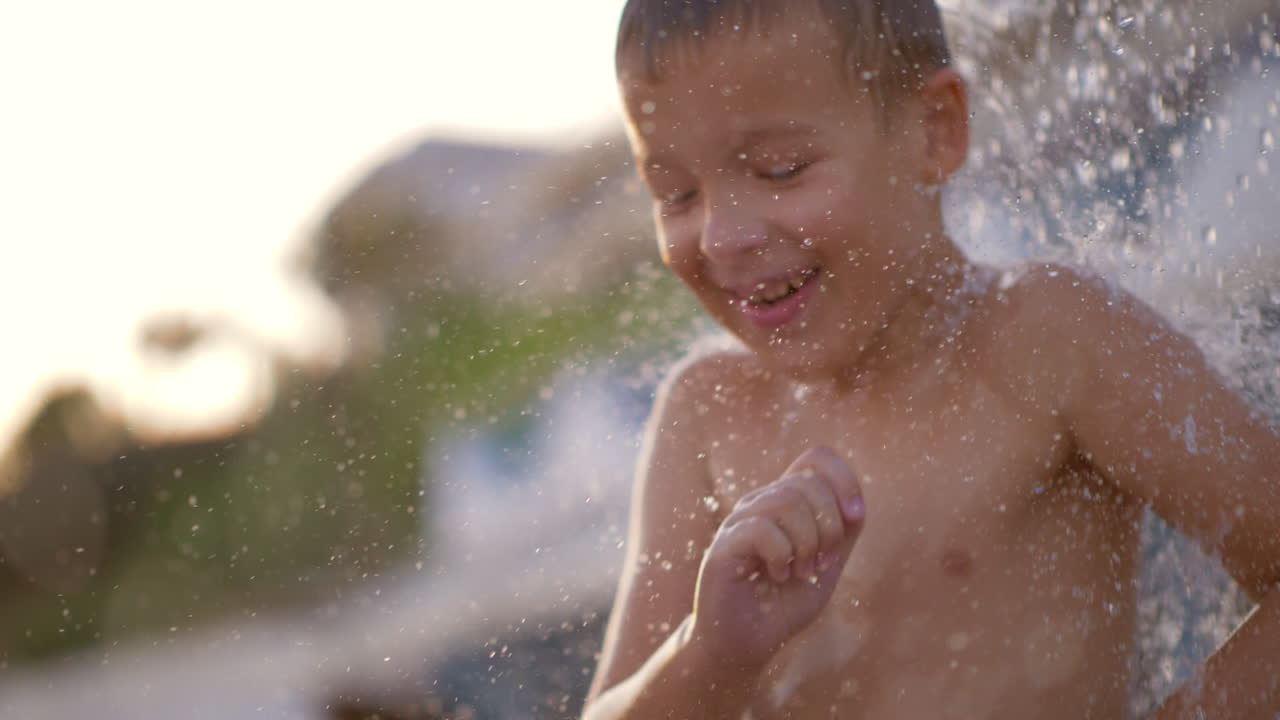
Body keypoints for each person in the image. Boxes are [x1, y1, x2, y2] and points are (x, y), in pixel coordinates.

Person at [581, 1, 1280, 718]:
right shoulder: (707, 413)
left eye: (780, 169)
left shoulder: (1049, 343)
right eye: (676, 194)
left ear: (933, 130)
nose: (722, 237)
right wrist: (710, 653)